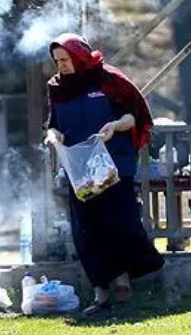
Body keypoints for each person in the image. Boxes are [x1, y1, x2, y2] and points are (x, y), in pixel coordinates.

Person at [44, 33, 163, 316]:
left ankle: (126, 277)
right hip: (80, 167)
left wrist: (115, 126)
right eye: (57, 61)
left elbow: (134, 115)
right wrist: (53, 136)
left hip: (114, 162)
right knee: (86, 230)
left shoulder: (108, 79)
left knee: (121, 222)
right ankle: (101, 292)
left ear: (79, 56)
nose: (61, 65)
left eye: (65, 59)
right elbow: (53, 124)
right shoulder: (56, 87)